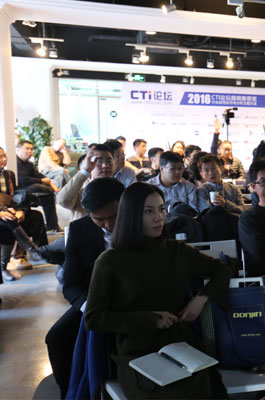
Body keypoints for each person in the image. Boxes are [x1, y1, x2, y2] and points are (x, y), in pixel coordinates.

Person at [84, 182, 231, 399]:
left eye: (162, 209)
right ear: (131, 215)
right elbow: (94, 318)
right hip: (137, 352)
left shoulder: (177, 251)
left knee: (208, 391)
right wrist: (149, 319)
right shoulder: (110, 261)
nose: (158, 218)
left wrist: (201, 298)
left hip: (181, 346)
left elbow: (222, 269)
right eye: (148, 211)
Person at [46, 177, 124, 399]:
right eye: (99, 219)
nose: (108, 224)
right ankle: (70, 393)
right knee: (57, 338)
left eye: (114, 216)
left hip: (137, 299)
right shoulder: (80, 230)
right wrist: (88, 306)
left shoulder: (143, 223)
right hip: (95, 302)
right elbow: (71, 283)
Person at [0, 147, 47, 281]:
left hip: (9, 211)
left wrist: (21, 210)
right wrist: (2, 212)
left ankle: (42, 250)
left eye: (4, 155)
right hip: (3, 214)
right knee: (9, 222)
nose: (4, 159)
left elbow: (15, 196)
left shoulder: (9, 174)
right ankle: (29, 251)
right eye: (0, 157)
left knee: (35, 216)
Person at [57, 144, 114, 221]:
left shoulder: (118, 190)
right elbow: (63, 201)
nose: (105, 165)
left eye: (109, 160)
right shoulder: (81, 192)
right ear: (90, 163)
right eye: (99, 161)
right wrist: (84, 171)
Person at [16, 140, 61, 232]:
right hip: (19, 191)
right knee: (39, 187)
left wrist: (47, 181)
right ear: (18, 149)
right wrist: (41, 181)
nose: (30, 151)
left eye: (31, 149)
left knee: (48, 196)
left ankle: (52, 226)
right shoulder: (15, 162)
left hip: (30, 189)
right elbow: (23, 180)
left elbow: (37, 175)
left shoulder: (29, 164)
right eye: (27, 148)